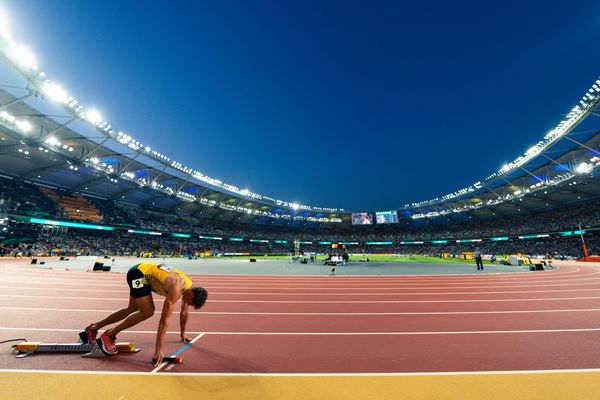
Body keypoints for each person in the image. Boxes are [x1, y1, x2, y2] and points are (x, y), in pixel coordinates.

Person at [83, 262, 207, 365]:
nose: (189, 305)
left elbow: (184, 311)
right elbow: (164, 320)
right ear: (191, 295)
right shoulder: (177, 287)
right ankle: (109, 335)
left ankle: (93, 328)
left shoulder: (189, 287)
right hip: (139, 274)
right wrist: (158, 350)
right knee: (148, 311)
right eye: (191, 303)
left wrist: (182, 333)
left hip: (143, 274)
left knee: (131, 309)